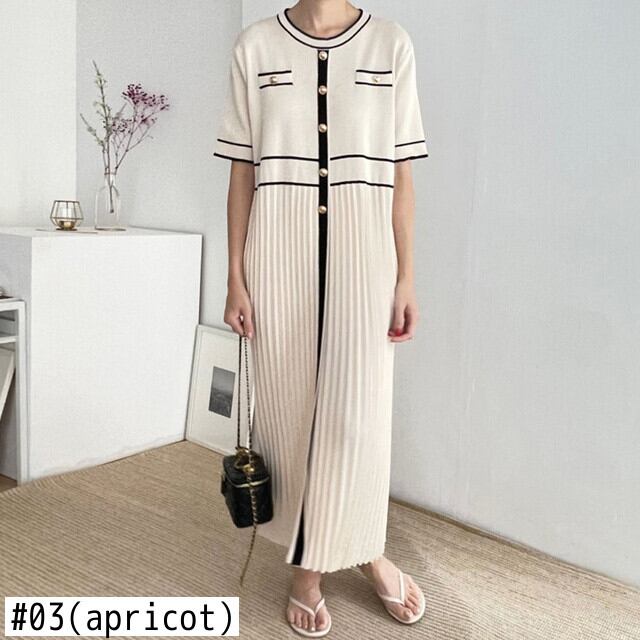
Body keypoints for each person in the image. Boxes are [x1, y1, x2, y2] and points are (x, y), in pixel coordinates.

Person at [215, 1, 429, 635]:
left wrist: (406, 276)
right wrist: (235, 275)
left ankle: (363, 547)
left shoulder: (391, 44)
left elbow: (401, 174)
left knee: (359, 416)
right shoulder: (255, 46)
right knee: (289, 414)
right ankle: (310, 569)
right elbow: (243, 172)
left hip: (368, 258)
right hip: (276, 255)